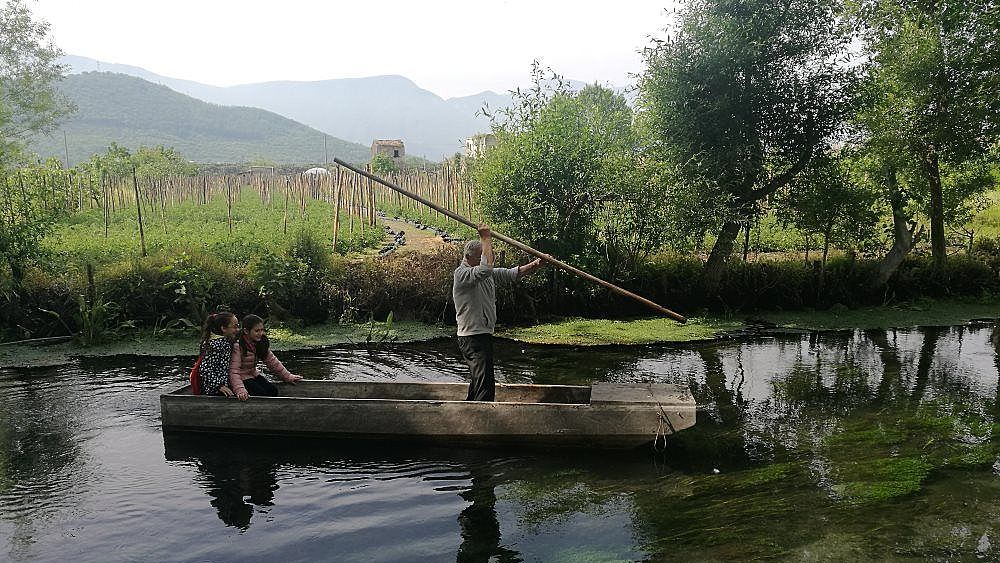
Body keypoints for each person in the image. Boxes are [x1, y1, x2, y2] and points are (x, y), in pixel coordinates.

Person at [453, 224, 543, 401]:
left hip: (482, 334)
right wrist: (485, 238)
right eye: (482, 257)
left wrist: (537, 264)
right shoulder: (462, 274)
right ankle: (482, 419)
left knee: (481, 381)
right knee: (485, 385)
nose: (486, 260)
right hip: (472, 337)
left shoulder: (485, 273)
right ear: (468, 257)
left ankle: (470, 412)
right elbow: (485, 269)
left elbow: (511, 274)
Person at [229, 314, 303, 401]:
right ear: (246, 331)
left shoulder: (260, 343)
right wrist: (240, 390)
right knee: (261, 394)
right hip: (241, 378)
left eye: (262, 330)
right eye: (257, 331)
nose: (261, 333)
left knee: (273, 391)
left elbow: (273, 362)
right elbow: (234, 371)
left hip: (252, 374)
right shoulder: (238, 346)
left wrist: (288, 376)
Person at [196, 312, 239, 397]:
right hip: (214, 390)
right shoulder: (215, 345)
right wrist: (219, 386)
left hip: (224, 384)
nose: (237, 329)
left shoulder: (226, 341)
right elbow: (205, 369)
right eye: (235, 326)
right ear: (223, 328)